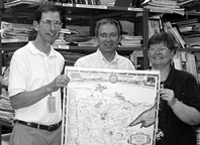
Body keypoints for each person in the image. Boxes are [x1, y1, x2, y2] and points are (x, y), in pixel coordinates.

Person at [8, 5, 69, 145]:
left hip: (56, 134)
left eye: (57, 23)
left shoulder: (59, 58)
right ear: (36, 25)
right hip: (28, 134)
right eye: (47, 22)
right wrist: (49, 87)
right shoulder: (21, 56)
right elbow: (15, 101)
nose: (53, 28)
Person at [128, 32, 200, 145]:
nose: (157, 52)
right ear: (147, 53)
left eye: (162, 48)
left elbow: (196, 119)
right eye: (153, 48)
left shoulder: (186, 79)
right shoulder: (136, 80)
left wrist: (174, 103)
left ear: (172, 53)